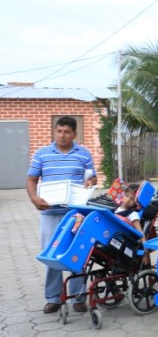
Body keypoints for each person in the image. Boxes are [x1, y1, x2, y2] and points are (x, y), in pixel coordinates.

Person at [27, 116, 96, 314]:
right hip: (49, 213)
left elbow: (92, 176)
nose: (62, 135)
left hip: (75, 214)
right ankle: (53, 298)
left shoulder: (83, 154)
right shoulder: (42, 153)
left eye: (67, 132)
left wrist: (90, 182)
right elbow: (31, 179)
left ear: (75, 134)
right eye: (59, 131)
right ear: (54, 132)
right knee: (51, 256)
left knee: (78, 254)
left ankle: (78, 297)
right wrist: (34, 199)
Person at [114, 183, 151, 265]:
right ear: (123, 195)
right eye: (126, 196)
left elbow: (141, 233)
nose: (127, 200)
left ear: (136, 203)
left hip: (122, 243)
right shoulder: (116, 209)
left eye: (132, 199)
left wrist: (146, 252)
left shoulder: (133, 214)